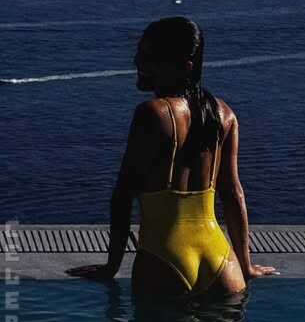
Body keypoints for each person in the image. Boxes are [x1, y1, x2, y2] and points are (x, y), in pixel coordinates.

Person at [67, 16, 277, 295]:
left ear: (186, 67)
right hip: (221, 260)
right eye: (140, 53)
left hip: (164, 257)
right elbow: (232, 193)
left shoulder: (153, 113)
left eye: (151, 57)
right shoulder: (224, 113)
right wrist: (246, 265)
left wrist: (112, 266)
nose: (139, 63)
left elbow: (123, 195)